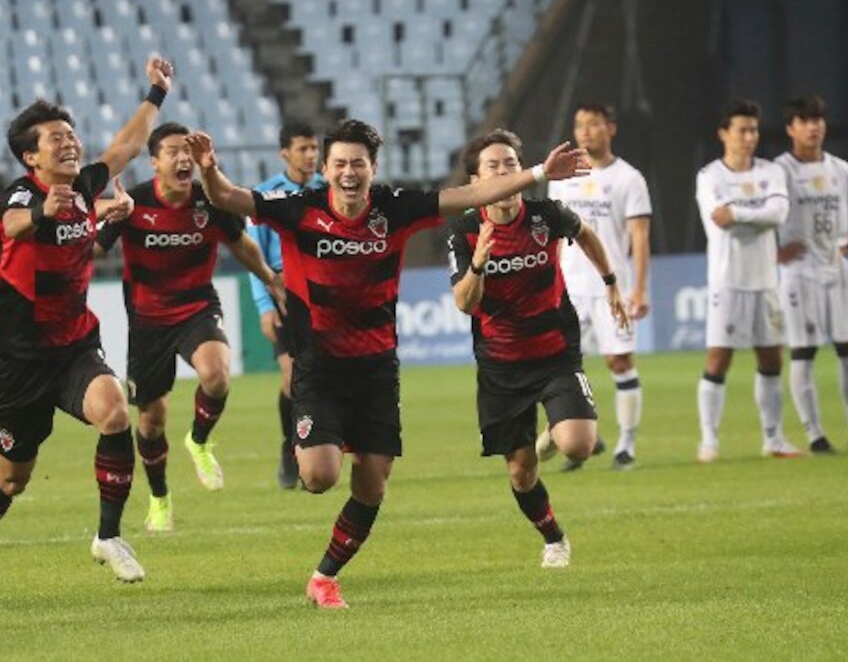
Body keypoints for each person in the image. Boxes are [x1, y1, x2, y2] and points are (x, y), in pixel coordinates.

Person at [186, 119, 588, 608]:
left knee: (372, 484)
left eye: (359, 163)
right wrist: (209, 171)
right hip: (318, 366)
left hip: (377, 370)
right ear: (327, 170)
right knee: (318, 477)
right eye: (340, 164)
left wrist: (540, 172)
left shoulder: (395, 208)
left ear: (372, 168)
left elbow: (468, 194)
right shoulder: (298, 210)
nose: (349, 172)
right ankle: (308, 449)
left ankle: (323, 578)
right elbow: (228, 198)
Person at [0, 55, 174, 585]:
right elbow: (11, 225)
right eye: (55, 138)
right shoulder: (21, 193)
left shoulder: (84, 186)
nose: (69, 143)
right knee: (13, 478)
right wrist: (42, 213)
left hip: (75, 346)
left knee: (115, 414)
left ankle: (107, 536)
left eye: (71, 134)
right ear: (30, 156)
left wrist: (155, 94)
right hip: (20, 360)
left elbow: (126, 146)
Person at [447, 129, 628, 567]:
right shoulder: (466, 231)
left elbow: (585, 234)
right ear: (477, 180)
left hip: (555, 352)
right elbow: (465, 303)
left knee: (579, 444)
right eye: (494, 166)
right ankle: (554, 539)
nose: (505, 172)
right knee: (521, 472)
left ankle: (556, 433)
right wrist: (479, 264)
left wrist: (610, 282)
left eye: (511, 163)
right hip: (501, 366)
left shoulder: (547, 214)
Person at [95, 122, 285, 531]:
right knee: (151, 421)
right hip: (147, 322)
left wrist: (271, 279)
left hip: (197, 307)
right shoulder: (135, 203)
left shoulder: (210, 201)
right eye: (173, 152)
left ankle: (199, 440)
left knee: (216, 374)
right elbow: (92, 249)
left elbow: (241, 245)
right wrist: (109, 217)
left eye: (187, 151)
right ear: (155, 162)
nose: (183, 158)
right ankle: (160, 497)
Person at [774, 95, 848, 453]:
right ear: (791, 128)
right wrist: (775, 253)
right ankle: (815, 436)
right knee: (804, 354)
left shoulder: (840, 168)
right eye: (805, 120)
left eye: (818, 119)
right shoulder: (779, 170)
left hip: (836, 271)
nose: (813, 126)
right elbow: (761, 217)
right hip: (798, 275)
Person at [545, 102, 651, 470]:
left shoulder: (629, 179)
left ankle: (627, 445)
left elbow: (640, 237)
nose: (585, 131)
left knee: (619, 361)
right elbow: (553, 235)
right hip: (569, 287)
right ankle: (586, 436)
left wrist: (639, 288)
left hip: (612, 288)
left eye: (593, 124)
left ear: (611, 128)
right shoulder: (561, 177)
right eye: (579, 124)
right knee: (561, 365)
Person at [695, 99, 801, 463]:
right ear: (724, 133)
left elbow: (780, 213)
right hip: (727, 281)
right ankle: (708, 441)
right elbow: (719, 218)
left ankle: (774, 438)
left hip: (765, 279)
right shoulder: (710, 176)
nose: (749, 137)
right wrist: (759, 213)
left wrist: (739, 212)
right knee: (718, 359)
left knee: (771, 359)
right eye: (742, 129)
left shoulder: (771, 171)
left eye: (754, 130)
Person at [248, 121, 326, 489]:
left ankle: (320, 448)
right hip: (283, 296)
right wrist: (265, 304)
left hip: (324, 296)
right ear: (285, 153)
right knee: (292, 377)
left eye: (314, 148)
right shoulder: (266, 195)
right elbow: (254, 256)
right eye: (303, 149)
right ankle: (289, 449)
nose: (311, 155)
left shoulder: (329, 190)